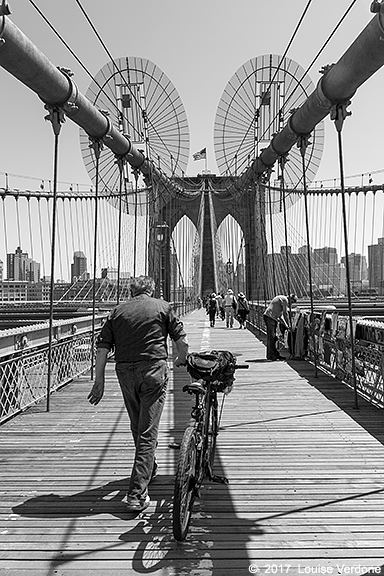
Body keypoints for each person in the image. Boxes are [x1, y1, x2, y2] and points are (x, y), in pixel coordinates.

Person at [87, 275, 189, 513]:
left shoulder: (117, 312)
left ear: (132, 291)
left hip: (124, 372)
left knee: (137, 425)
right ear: (152, 290)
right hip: (153, 370)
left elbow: (103, 347)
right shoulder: (163, 307)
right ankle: (136, 493)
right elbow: (180, 341)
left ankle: (149, 467)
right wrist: (181, 358)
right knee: (147, 432)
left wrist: (99, 381)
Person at [263, 293, 297, 361]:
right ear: (290, 298)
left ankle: (275, 353)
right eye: (292, 302)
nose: (291, 304)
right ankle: (270, 355)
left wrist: (286, 325)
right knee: (271, 337)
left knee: (274, 337)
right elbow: (285, 313)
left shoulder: (281, 299)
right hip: (270, 317)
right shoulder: (285, 300)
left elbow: (281, 316)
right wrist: (289, 324)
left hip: (271, 318)